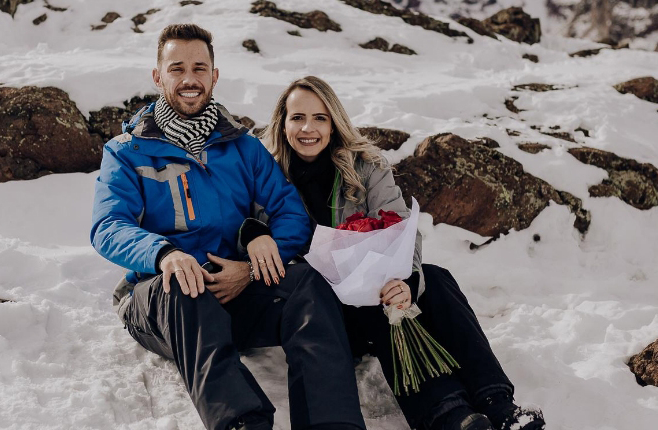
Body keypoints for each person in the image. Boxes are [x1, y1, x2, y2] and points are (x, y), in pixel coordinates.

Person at [90, 26, 367, 430]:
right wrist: (164, 254)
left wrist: (256, 261)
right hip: (161, 303)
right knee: (183, 285)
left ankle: (332, 424)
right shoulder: (127, 151)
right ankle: (243, 423)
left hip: (234, 292)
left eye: (199, 68)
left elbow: (291, 212)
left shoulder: (243, 148)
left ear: (214, 76)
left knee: (307, 281)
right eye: (177, 68)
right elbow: (108, 226)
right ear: (158, 76)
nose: (189, 79)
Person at [246, 76, 547, 430]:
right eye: (297, 117)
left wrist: (405, 281)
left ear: (334, 123)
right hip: (322, 315)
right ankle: (446, 414)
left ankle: (499, 403)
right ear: (282, 123)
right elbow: (249, 226)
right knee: (375, 302)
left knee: (434, 278)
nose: (307, 128)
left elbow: (402, 229)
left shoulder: (366, 167)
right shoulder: (265, 177)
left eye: (320, 118)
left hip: (376, 294)